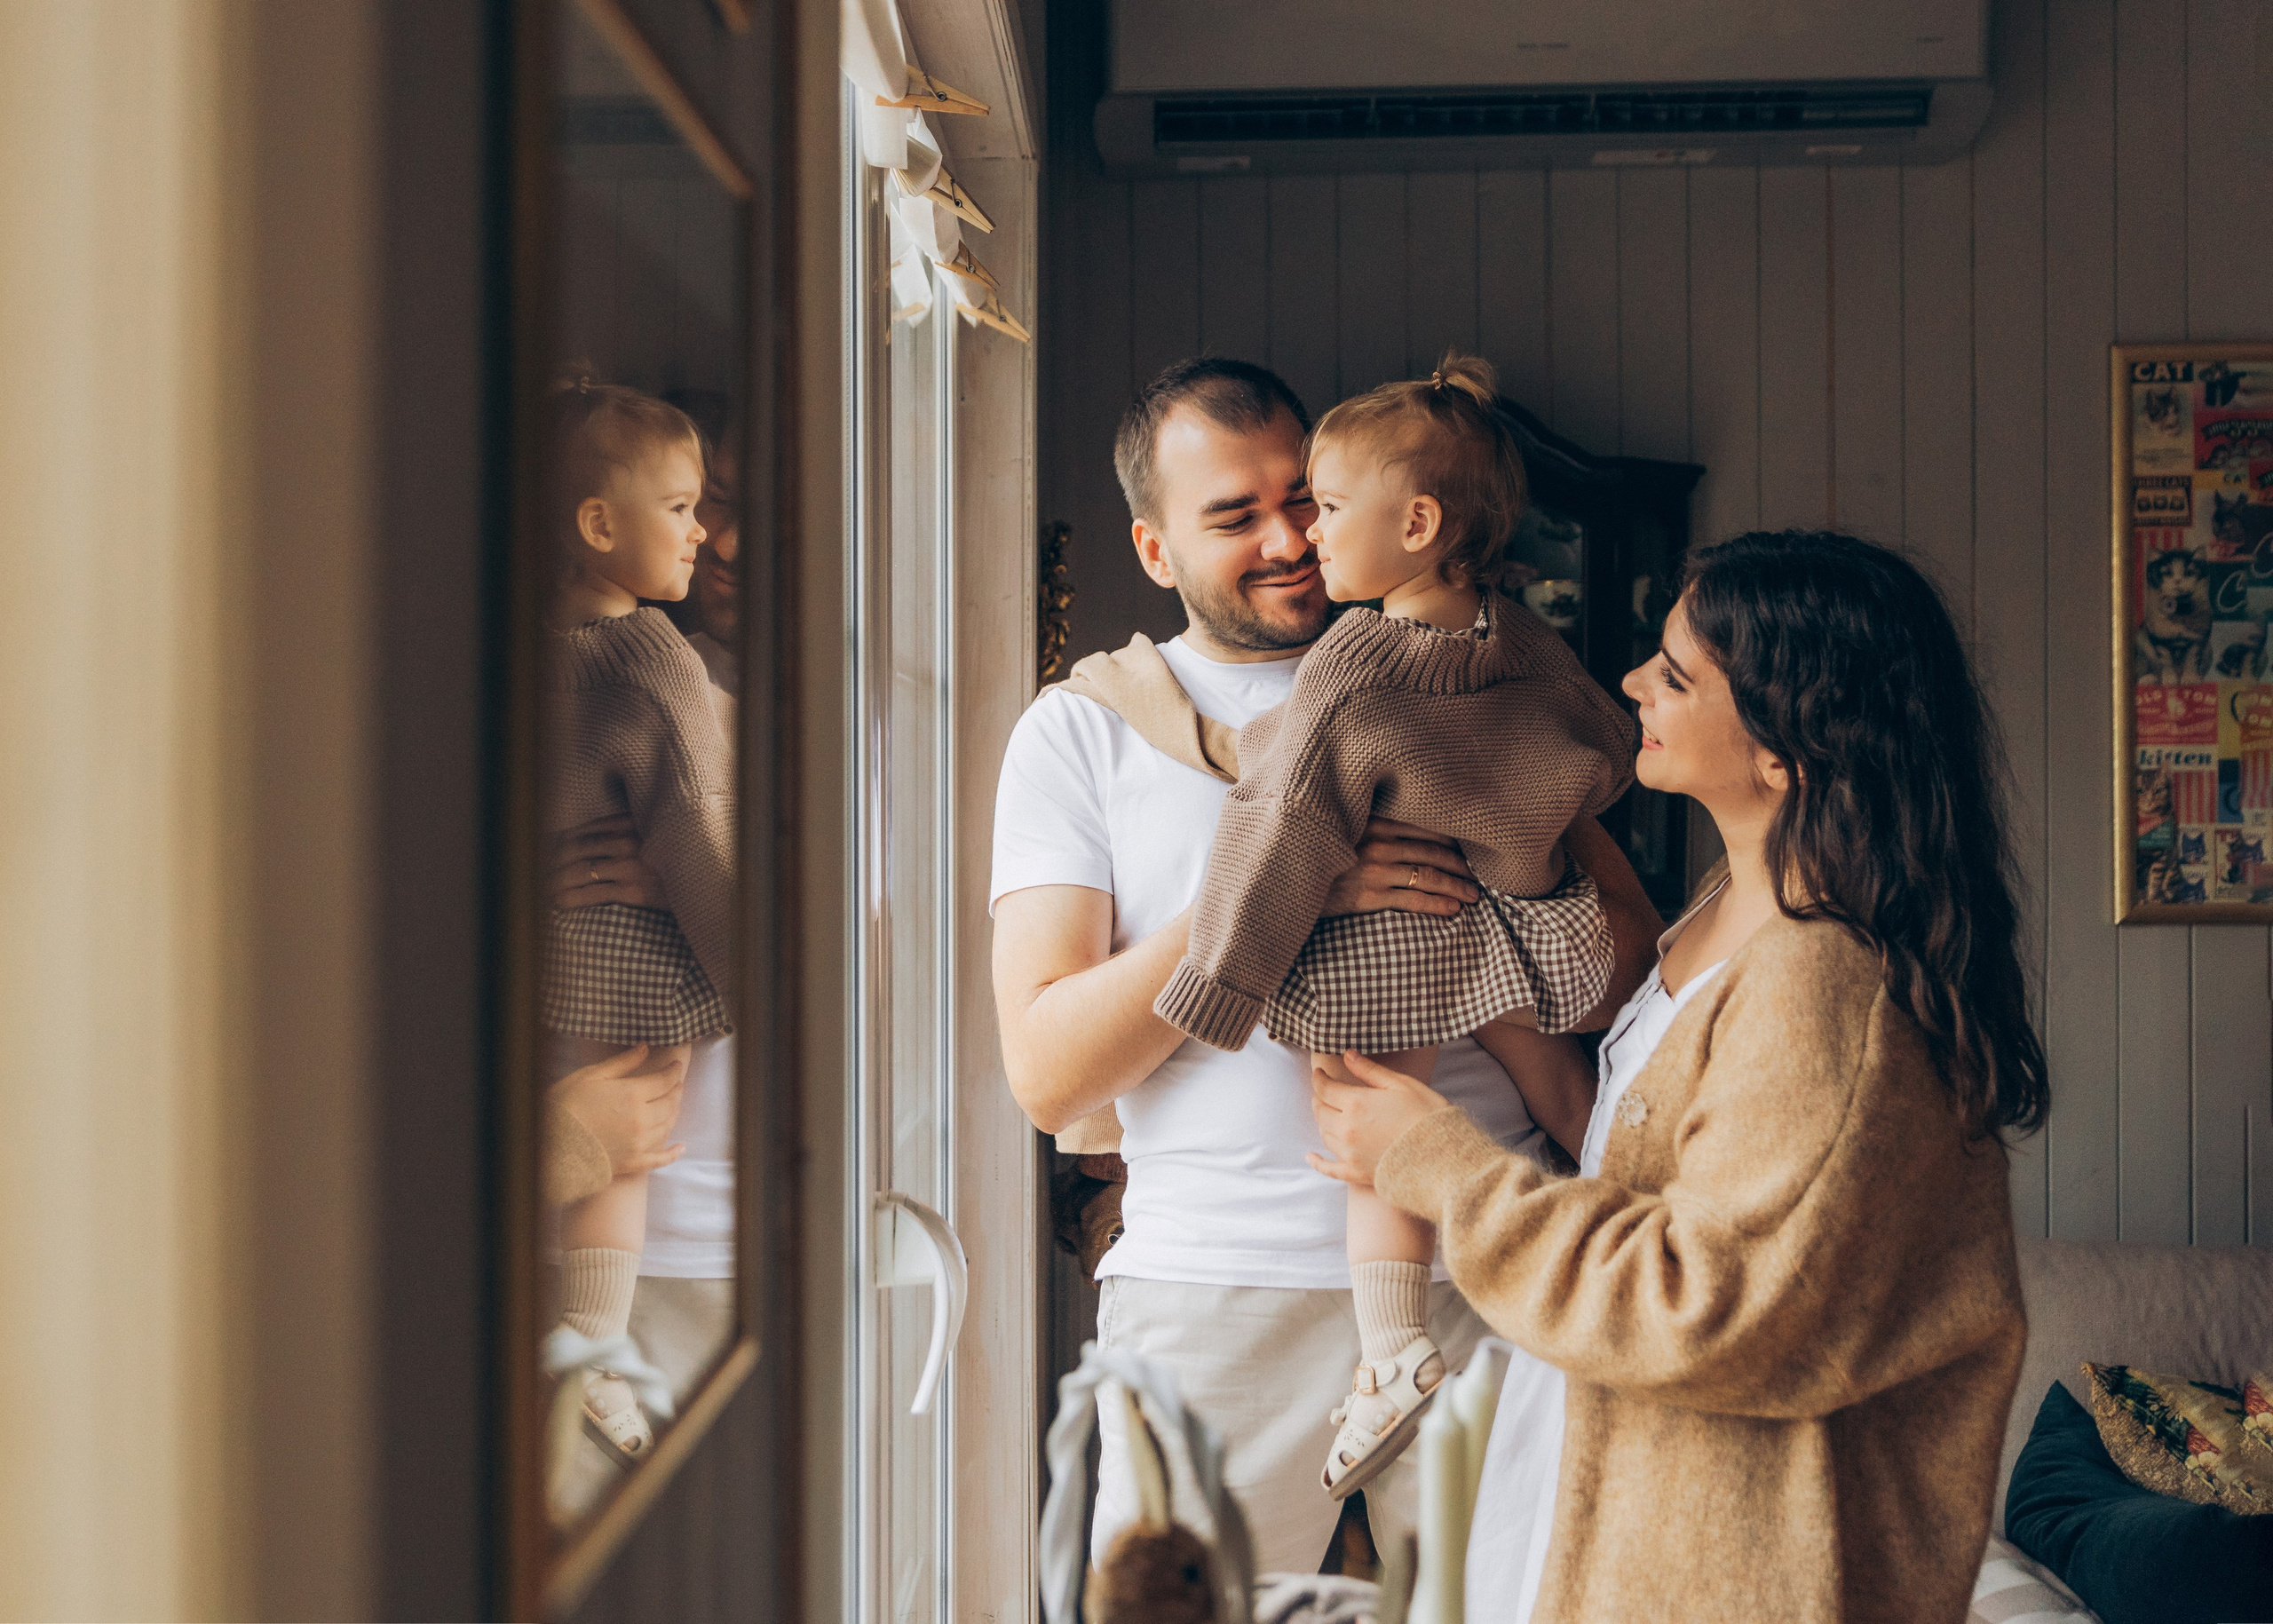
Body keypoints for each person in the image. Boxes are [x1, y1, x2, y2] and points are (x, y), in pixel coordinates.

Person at [991, 358, 1660, 1572]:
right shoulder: (1081, 734)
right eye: (1233, 516)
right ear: (1155, 549)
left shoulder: (1469, 684)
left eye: (1301, 496)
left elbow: (1621, 978)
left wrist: (1486, 901)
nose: (1289, 537)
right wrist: (1288, 893)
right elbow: (1045, 1075)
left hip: (1479, 1271)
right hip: (1213, 1297)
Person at [1309, 531, 2041, 1623]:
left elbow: (1705, 1302)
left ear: (1786, 751)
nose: (1633, 681)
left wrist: (1436, 1163)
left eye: (1677, 674)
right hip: (1602, 1462)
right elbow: (1627, 1153)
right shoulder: (1720, 906)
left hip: (1728, 1548)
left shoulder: (1819, 978)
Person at [1153, 354, 1635, 1498]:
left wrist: (1221, 980)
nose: (1308, 536)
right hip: (1503, 919)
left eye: (1323, 507)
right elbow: (1605, 747)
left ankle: (1388, 1349)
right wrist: (1525, 816)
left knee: (1369, 1127)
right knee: (1564, 1091)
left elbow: (1284, 825)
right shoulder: (1520, 640)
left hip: (1389, 944)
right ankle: (1620, 1237)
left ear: (1415, 523)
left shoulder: (1352, 661)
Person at [541, 377, 733, 1460]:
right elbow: (696, 830)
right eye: (680, 506)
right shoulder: (653, 657)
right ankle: (597, 1341)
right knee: (622, 1149)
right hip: (633, 956)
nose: (701, 531)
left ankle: (585, 1337)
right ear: (599, 525)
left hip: (556, 957)